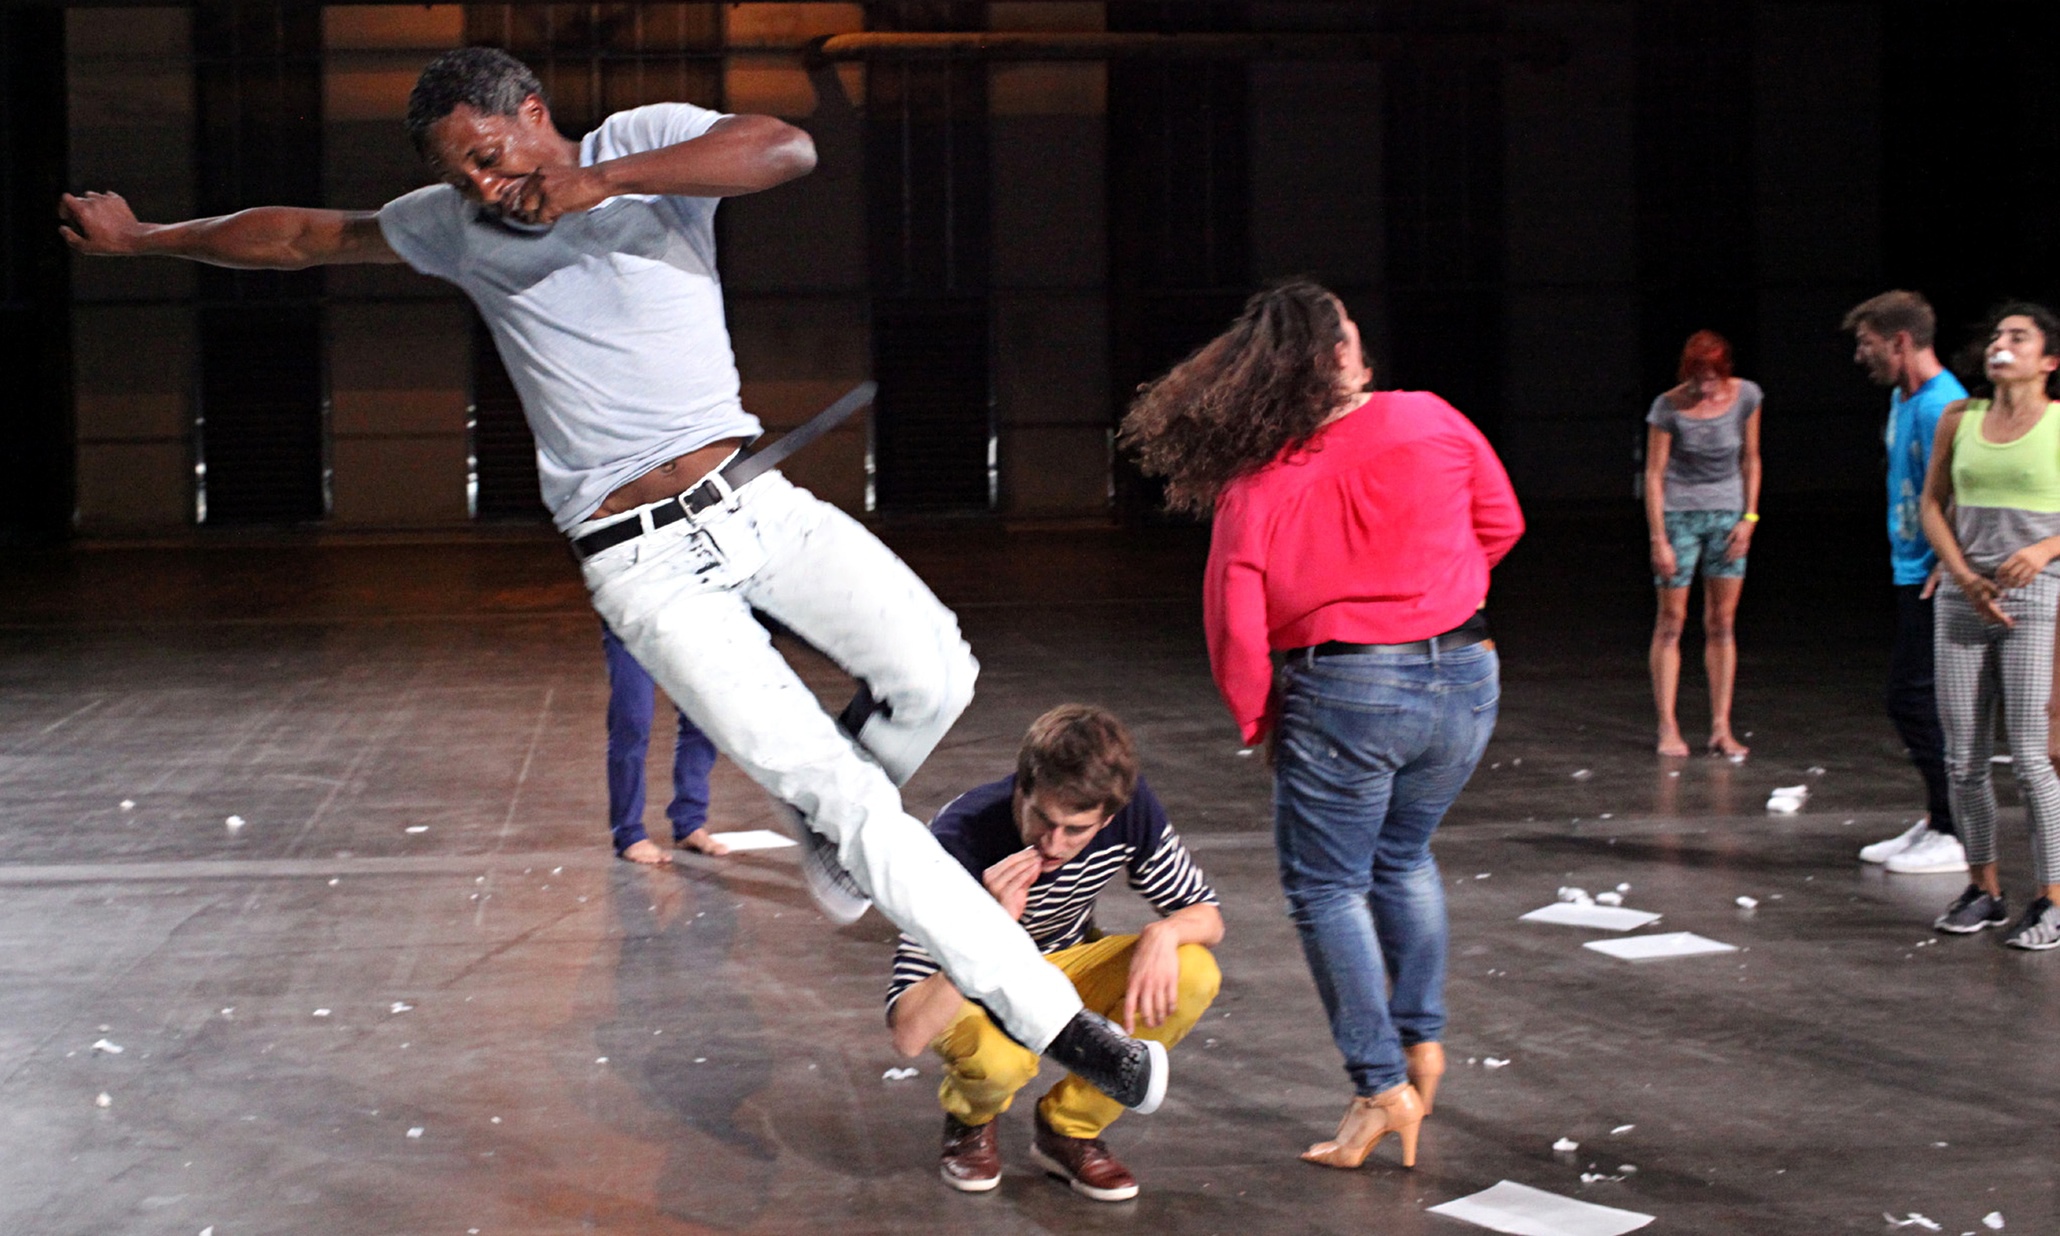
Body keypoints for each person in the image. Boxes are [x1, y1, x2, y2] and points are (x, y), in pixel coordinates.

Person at [58, 46, 1166, 1102]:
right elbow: (303, 235)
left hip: (756, 501)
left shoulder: (642, 145)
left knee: (935, 670)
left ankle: (836, 847)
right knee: (847, 794)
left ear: (534, 114)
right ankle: (1058, 1024)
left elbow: (785, 148)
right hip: (641, 563)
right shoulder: (453, 223)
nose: (484, 186)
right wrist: (145, 237)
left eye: (492, 155)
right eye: (460, 173)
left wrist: (600, 183)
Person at [1119, 281, 1523, 1170]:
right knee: (1403, 857)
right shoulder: (1433, 418)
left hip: (1346, 689)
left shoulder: (1261, 479)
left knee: (1327, 889)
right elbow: (1501, 523)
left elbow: (1235, 622)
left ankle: (1381, 1087)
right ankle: (1421, 1041)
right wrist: (1438, 595)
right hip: (1468, 672)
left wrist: (1260, 717)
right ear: (1339, 355)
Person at [886, 705, 1223, 1202]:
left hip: (1063, 964)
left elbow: (1208, 917)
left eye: (1075, 830)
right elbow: (909, 1032)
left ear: (1107, 818)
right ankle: (971, 1118)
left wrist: (1166, 931)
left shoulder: (1131, 809)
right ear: (1020, 789)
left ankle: (1069, 1130)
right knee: (1000, 1062)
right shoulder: (958, 839)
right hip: (974, 986)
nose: (1053, 842)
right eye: (1042, 818)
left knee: (1193, 969)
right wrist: (987, 926)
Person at [1918, 302, 2060, 950]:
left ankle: (2051, 899)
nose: (2002, 344)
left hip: (2032, 596)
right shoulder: (1960, 417)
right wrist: (1960, 574)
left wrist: (2046, 548)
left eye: (2018, 337)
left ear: (2048, 360)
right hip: (1962, 596)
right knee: (1964, 760)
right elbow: (1932, 503)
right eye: (1998, 334)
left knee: (2030, 759)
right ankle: (1984, 889)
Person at [1846, 291, 1968, 875]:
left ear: (1900, 342)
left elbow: (1968, 486)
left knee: (1914, 698)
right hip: (1910, 567)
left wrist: (1952, 560)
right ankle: (1939, 818)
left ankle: (1956, 829)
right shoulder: (1903, 399)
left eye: (1867, 343)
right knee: (1920, 699)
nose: (1860, 356)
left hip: (1935, 575)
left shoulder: (1944, 405)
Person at [1644, 330, 1762, 759]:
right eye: (1697, 377)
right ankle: (1668, 726)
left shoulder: (1746, 396)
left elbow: (1751, 458)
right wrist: (1659, 538)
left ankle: (1721, 728)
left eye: (1712, 377)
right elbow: (1654, 474)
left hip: (1728, 517)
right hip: (1680, 516)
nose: (1705, 386)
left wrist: (1749, 518)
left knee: (1722, 622)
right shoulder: (1668, 406)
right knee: (1671, 620)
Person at [600, 622, 728, 863]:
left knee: (701, 718)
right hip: (631, 617)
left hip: (695, 616)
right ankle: (629, 833)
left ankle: (690, 822)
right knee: (632, 721)